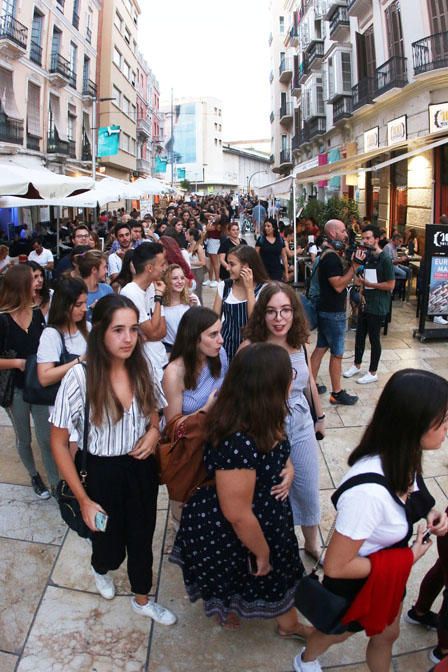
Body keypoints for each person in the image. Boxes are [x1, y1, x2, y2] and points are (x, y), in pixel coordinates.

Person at [293, 368, 448, 672]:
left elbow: (412, 487)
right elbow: (337, 566)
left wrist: (430, 512)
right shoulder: (367, 495)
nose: (447, 429)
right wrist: (408, 557)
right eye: (442, 421)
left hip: (386, 574)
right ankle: (305, 662)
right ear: (414, 424)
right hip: (356, 583)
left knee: (388, 633)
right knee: (335, 634)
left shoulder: (402, 454)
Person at [50, 294, 176, 625]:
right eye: (118, 330)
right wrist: (83, 499)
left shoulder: (144, 365)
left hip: (140, 468)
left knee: (142, 535)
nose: (128, 338)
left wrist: (153, 432)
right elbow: (59, 443)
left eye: (133, 329)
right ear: (101, 331)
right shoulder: (79, 377)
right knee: (107, 542)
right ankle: (100, 568)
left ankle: (142, 597)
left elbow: (156, 411)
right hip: (100, 473)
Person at [171, 343, 310, 638]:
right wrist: (261, 551)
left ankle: (288, 625)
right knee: (245, 571)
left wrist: (289, 467)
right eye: (289, 374)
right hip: (232, 527)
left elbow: (278, 445)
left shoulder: (263, 413)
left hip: (265, 517)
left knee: (275, 571)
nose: (293, 378)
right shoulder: (238, 441)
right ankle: (234, 610)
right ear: (269, 386)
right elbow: (237, 514)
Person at [242, 282, 324, 560]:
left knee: (308, 486)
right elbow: (237, 395)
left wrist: (320, 416)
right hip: (264, 431)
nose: (279, 319)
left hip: (300, 423)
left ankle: (312, 543)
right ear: (261, 315)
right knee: (273, 494)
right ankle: (274, 548)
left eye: (286, 310)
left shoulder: (298, 342)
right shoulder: (251, 348)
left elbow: (309, 381)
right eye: (272, 312)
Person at [0, 265, 56, 498]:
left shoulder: (36, 313)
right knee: (24, 437)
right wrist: (18, 363)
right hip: (16, 390)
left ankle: (55, 482)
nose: (37, 282)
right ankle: (34, 475)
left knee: (46, 437)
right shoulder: (2, 320)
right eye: (32, 279)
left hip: (39, 386)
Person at [310, 219, 364, 406]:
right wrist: (354, 269)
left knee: (320, 348)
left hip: (326, 310)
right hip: (333, 313)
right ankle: (337, 393)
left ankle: (310, 385)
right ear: (332, 233)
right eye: (342, 231)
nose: (345, 234)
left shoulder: (326, 253)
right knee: (337, 354)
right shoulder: (331, 258)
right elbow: (339, 285)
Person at [343, 225, 395, 385]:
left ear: (376, 239)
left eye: (368, 238)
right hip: (365, 302)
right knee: (360, 335)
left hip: (378, 305)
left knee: (374, 338)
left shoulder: (385, 258)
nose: (364, 241)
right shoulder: (367, 257)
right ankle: (356, 365)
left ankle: (373, 372)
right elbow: (360, 276)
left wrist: (370, 284)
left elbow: (391, 285)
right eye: (363, 238)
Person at [162, 306, 228, 424]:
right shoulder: (174, 373)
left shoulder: (220, 353)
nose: (221, 340)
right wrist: (205, 410)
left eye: (220, 332)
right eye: (213, 334)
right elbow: (172, 426)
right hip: (188, 437)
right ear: (193, 338)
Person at [37, 277, 89, 408]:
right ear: (64, 305)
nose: (84, 309)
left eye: (85, 303)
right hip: (63, 407)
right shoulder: (51, 335)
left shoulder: (88, 327)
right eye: (78, 304)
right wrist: (80, 361)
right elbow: (44, 377)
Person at [120, 242, 168, 383]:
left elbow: (162, 331)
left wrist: (149, 332)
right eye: (162, 264)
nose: (165, 268)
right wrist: (158, 298)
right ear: (149, 268)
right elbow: (153, 332)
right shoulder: (130, 292)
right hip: (144, 367)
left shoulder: (154, 286)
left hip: (160, 359)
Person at [213, 245, 269, 360]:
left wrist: (249, 290)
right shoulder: (224, 286)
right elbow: (214, 320)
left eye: (232, 264)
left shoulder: (264, 289)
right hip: (225, 349)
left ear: (246, 267)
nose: (227, 268)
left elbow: (255, 321)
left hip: (252, 351)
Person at [162, 264, 200, 352]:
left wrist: (194, 309)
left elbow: (199, 327)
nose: (180, 281)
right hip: (169, 350)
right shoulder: (160, 304)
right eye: (175, 278)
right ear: (167, 281)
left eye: (182, 278)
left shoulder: (192, 299)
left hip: (190, 349)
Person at [76, 250, 113, 321]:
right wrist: (90, 310)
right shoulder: (75, 291)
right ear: (94, 270)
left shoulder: (107, 289)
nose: (106, 271)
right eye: (104, 267)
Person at [186, 228, 206, 303]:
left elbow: (203, 262)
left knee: (197, 293)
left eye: (187, 234)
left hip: (198, 271)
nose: (186, 235)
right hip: (190, 271)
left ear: (192, 236)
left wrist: (189, 263)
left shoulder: (199, 248)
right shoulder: (188, 246)